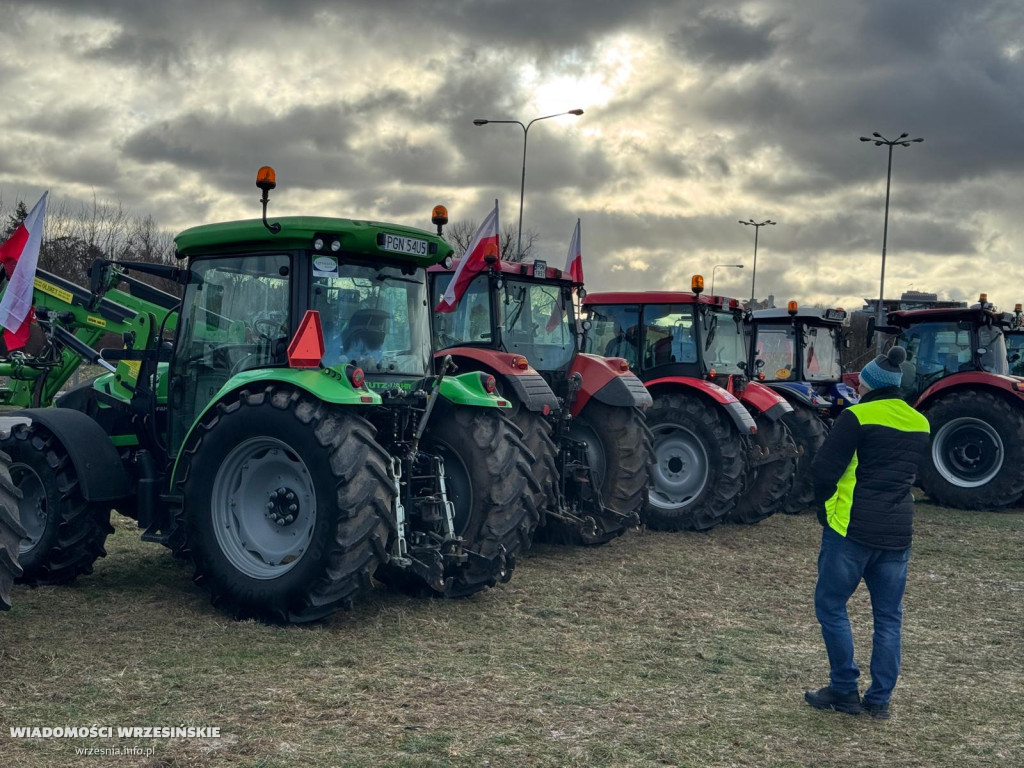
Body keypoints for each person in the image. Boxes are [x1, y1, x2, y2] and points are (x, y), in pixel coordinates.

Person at [804, 346, 930, 719]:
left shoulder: (856, 417)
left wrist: (825, 511)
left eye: (861, 379)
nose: (856, 384)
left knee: (830, 605)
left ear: (870, 383)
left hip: (851, 529)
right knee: (888, 617)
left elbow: (824, 470)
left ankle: (844, 689)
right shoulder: (920, 422)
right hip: (897, 535)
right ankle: (879, 701)